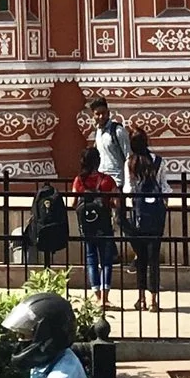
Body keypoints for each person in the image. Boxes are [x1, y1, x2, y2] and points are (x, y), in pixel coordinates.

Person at [70, 147, 118, 311]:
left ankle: (96, 297)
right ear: (98, 161)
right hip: (104, 225)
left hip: (87, 226)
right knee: (106, 261)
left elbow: (72, 203)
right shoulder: (107, 180)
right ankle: (105, 297)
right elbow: (116, 202)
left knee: (91, 259)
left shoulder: (79, 180)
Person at [122, 151, 167, 313]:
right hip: (156, 218)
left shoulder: (130, 162)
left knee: (141, 258)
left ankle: (141, 300)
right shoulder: (159, 161)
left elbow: (128, 189)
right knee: (153, 259)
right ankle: (153, 301)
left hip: (138, 217)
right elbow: (164, 187)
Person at [85, 98, 131, 187]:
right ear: (93, 115)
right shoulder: (98, 132)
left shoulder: (118, 131)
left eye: (103, 113)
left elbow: (129, 157)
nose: (101, 117)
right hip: (102, 182)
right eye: (97, 114)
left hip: (117, 181)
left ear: (108, 113)